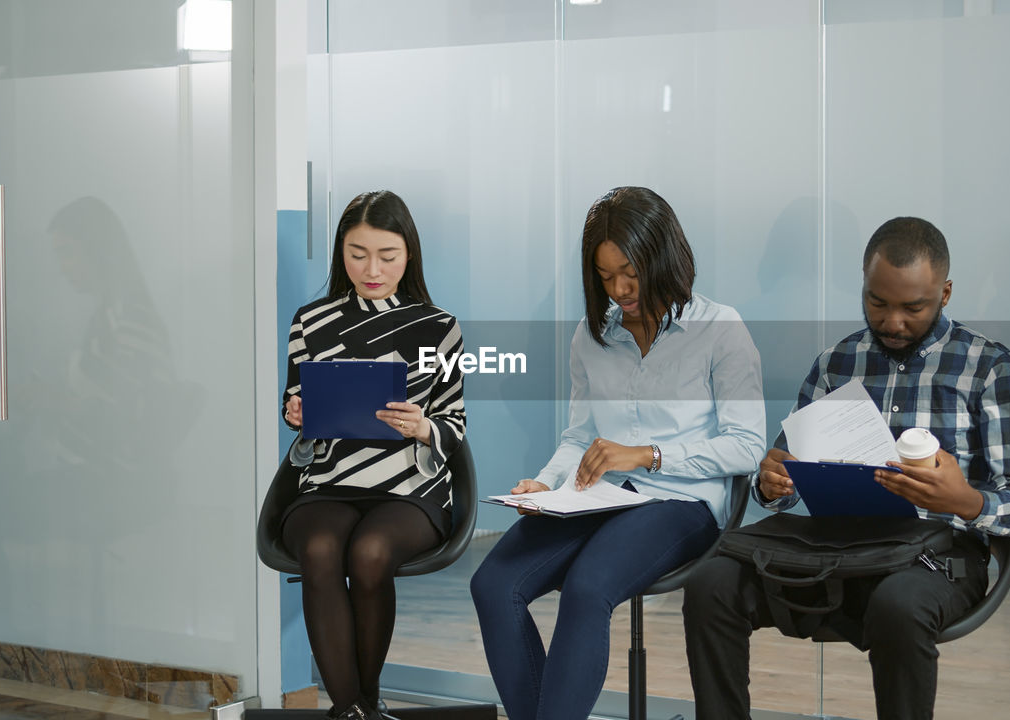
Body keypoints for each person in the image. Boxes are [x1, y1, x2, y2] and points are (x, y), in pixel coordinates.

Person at [683, 216, 1010, 720]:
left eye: (913, 307)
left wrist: (966, 501)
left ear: (946, 292)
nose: (893, 321)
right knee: (711, 583)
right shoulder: (837, 363)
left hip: (935, 556)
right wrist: (774, 481)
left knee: (899, 606)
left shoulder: (990, 370)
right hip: (835, 545)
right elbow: (784, 480)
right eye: (878, 302)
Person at [470, 186, 767, 720]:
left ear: (663, 256)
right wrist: (545, 482)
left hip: (681, 502)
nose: (620, 289)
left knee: (588, 587)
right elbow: (579, 435)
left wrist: (647, 455)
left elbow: (747, 447)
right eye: (605, 276)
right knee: (492, 584)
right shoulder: (592, 335)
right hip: (597, 496)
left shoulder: (721, 329)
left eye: (629, 271)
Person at [280, 191, 466, 720]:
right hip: (331, 480)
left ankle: (364, 700)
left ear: (410, 255)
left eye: (388, 255)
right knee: (318, 548)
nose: (372, 269)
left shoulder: (438, 327)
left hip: (410, 488)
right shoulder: (310, 322)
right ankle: (352, 709)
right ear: (341, 252)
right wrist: (296, 412)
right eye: (357, 253)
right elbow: (296, 405)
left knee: (369, 552)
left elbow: (455, 423)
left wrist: (424, 425)